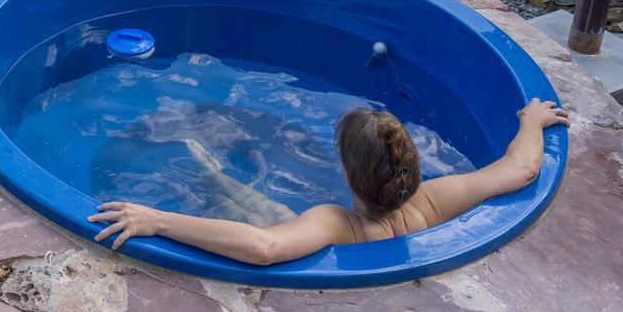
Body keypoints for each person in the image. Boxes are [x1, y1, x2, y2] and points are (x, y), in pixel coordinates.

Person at [88, 98, 568, 265]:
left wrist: (159, 219)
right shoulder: (436, 199)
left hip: (317, 247)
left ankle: (214, 180)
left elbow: (263, 249)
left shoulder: (339, 223)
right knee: (272, 214)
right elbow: (522, 169)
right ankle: (214, 178)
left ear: (346, 174)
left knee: (272, 220)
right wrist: (531, 122)